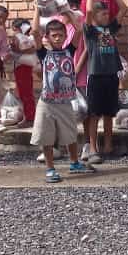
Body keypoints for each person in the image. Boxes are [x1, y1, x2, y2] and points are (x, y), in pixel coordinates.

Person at [31, 17, 88, 182]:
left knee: (70, 135)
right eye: (54, 35)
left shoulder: (69, 50)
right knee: (46, 137)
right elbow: (34, 32)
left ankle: (74, 163)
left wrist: (66, 12)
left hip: (65, 102)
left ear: (65, 36)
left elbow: (78, 30)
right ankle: (50, 169)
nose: (57, 38)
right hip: (47, 103)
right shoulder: (43, 53)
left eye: (60, 35)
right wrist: (37, 8)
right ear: (47, 37)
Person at [77, 0, 123, 164]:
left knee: (109, 112)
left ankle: (109, 146)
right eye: (103, 14)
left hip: (111, 75)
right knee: (94, 113)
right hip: (96, 76)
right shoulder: (90, 30)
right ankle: (94, 148)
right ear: (95, 16)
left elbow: (123, 10)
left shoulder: (110, 28)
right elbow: (88, 11)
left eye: (107, 13)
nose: (106, 16)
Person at [9, 19, 38, 125]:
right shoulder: (27, 38)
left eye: (14, 29)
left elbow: (30, 49)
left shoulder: (22, 38)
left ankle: (29, 118)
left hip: (23, 68)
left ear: (16, 28)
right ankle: (28, 116)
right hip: (22, 67)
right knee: (24, 93)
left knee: (25, 94)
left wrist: (15, 50)